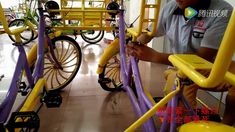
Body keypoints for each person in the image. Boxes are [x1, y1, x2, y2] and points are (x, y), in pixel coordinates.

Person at [126, 0, 235, 125]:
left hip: (209, 67)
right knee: (179, 117)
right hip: (177, 69)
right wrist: (136, 42)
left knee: (179, 116)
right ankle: (186, 116)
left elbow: (202, 58)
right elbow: (150, 32)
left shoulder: (222, 11)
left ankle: (226, 125)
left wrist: (155, 56)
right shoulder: (171, 7)